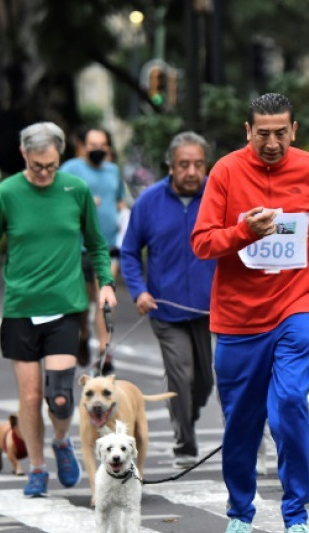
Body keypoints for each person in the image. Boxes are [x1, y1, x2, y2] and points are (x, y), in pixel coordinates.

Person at [191, 93, 309, 533]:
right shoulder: (225, 171)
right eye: (262, 133)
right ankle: (240, 512)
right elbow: (202, 241)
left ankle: (296, 515)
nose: (272, 143)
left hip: (296, 305)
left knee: (288, 402)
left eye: (280, 133)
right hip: (237, 318)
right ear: (247, 131)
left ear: (294, 130)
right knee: (242, 422)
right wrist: (244, 231)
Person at [0, 122, 117, 497]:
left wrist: (106, 283)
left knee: (60, 397)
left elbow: (96, 243)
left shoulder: (75, 189)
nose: (45, 173)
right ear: (24, 154)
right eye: (37, 165)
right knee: (30, 397)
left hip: (64, 307)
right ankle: (38, 468)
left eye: (52, 165)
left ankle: (62, 441)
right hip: (21, 310)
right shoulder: (7, 193)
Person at [120, 131, 217, 469]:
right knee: (180, 374)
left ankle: (183, 412)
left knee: (204, 381)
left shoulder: (218, 196)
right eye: (184, 165)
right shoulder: (149, 202)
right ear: (170, 166)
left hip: (209, 309)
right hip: (164, 308)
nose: (192, 172)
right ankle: (184, 444)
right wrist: (139, 291)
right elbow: (130, 252)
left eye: (199, 165)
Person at [60, 128, 125, 367]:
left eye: (102, 144)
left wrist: (123, 212)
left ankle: (104, 349)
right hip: (78, 248)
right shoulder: (70, 170)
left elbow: (119, 199)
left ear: (108, 147)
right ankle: (84, 336)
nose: (97, 149)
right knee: (82, 305)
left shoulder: (113, 171)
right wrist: (82, 202)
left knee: (105, 299)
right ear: (83, 145)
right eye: (93, 144)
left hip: (108, 246)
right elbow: (56, 202)